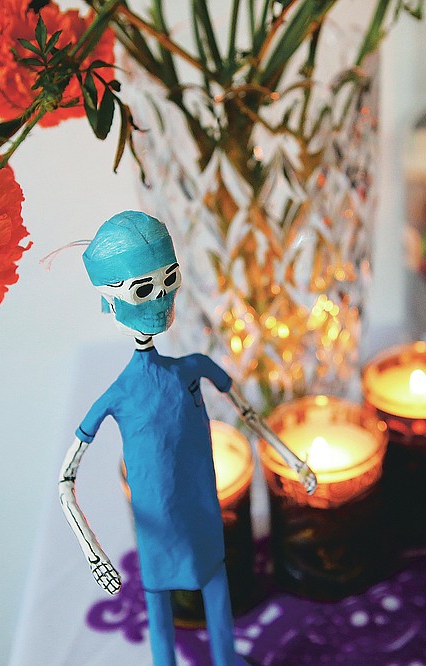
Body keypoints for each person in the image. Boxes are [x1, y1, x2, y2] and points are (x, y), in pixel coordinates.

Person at [58, 211, 316, 666]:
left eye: (168, 279)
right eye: (143, 288)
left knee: (218, 598)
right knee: (160, 616)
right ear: (110, 300)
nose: (159, 298)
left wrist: (290, 458)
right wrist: (91, 550)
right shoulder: (120, 393)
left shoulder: (193, 368)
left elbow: (248, 414)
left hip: (202, 509)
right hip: (155, 524)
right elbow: (66, 481)